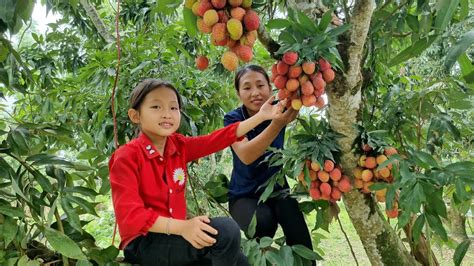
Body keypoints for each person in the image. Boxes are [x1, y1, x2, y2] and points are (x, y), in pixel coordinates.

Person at [109, 78, 287, 266]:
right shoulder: (127, 156)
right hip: (143, 243)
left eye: (173, 108)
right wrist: (184, 227)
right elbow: (131, 215)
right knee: (226, 230)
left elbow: (216, 139)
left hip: (174, 237)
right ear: (135, 115)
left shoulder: (178, 146)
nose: (166, 114)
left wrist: (260, 116)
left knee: (240, 260)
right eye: (156, 107)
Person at [224, 65, 315, 263]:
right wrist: (277, 124)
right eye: (247, 88)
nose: (255, 93)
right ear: (238, 93)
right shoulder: (233, 119)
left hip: (278, 190)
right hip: (244, 195)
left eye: (260, 85)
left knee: (300, 235)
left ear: (270, 87)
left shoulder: (280, 107)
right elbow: (246, 155)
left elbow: (302, 91)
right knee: (263, 223)